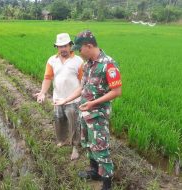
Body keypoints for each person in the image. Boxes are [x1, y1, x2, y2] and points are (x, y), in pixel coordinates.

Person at [54, 30, 122, 190]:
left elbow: (116, 91)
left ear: (89, 46)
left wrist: (93, 104)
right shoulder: (88, 64)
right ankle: (94, 171)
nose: (78, 52)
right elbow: (82, 88)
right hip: (85, 113)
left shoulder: (109, 64)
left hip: (98, 115)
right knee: (89, 144)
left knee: (101, 148)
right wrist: (65, 100)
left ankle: (107, 184)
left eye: (80, 49)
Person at [34, 33, 83, 160]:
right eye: (60, 46)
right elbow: (47, 78)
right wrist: (43, 92)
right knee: (59, 120)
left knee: (74, 123)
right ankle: (63, 140)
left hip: (74, 99)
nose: (63, 49)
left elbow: (83, 82)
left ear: (70, 46)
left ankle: (75, 147)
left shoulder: (78, 61)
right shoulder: (52, 60)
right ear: (57, 47)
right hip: (58, 98)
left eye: (65, 46)